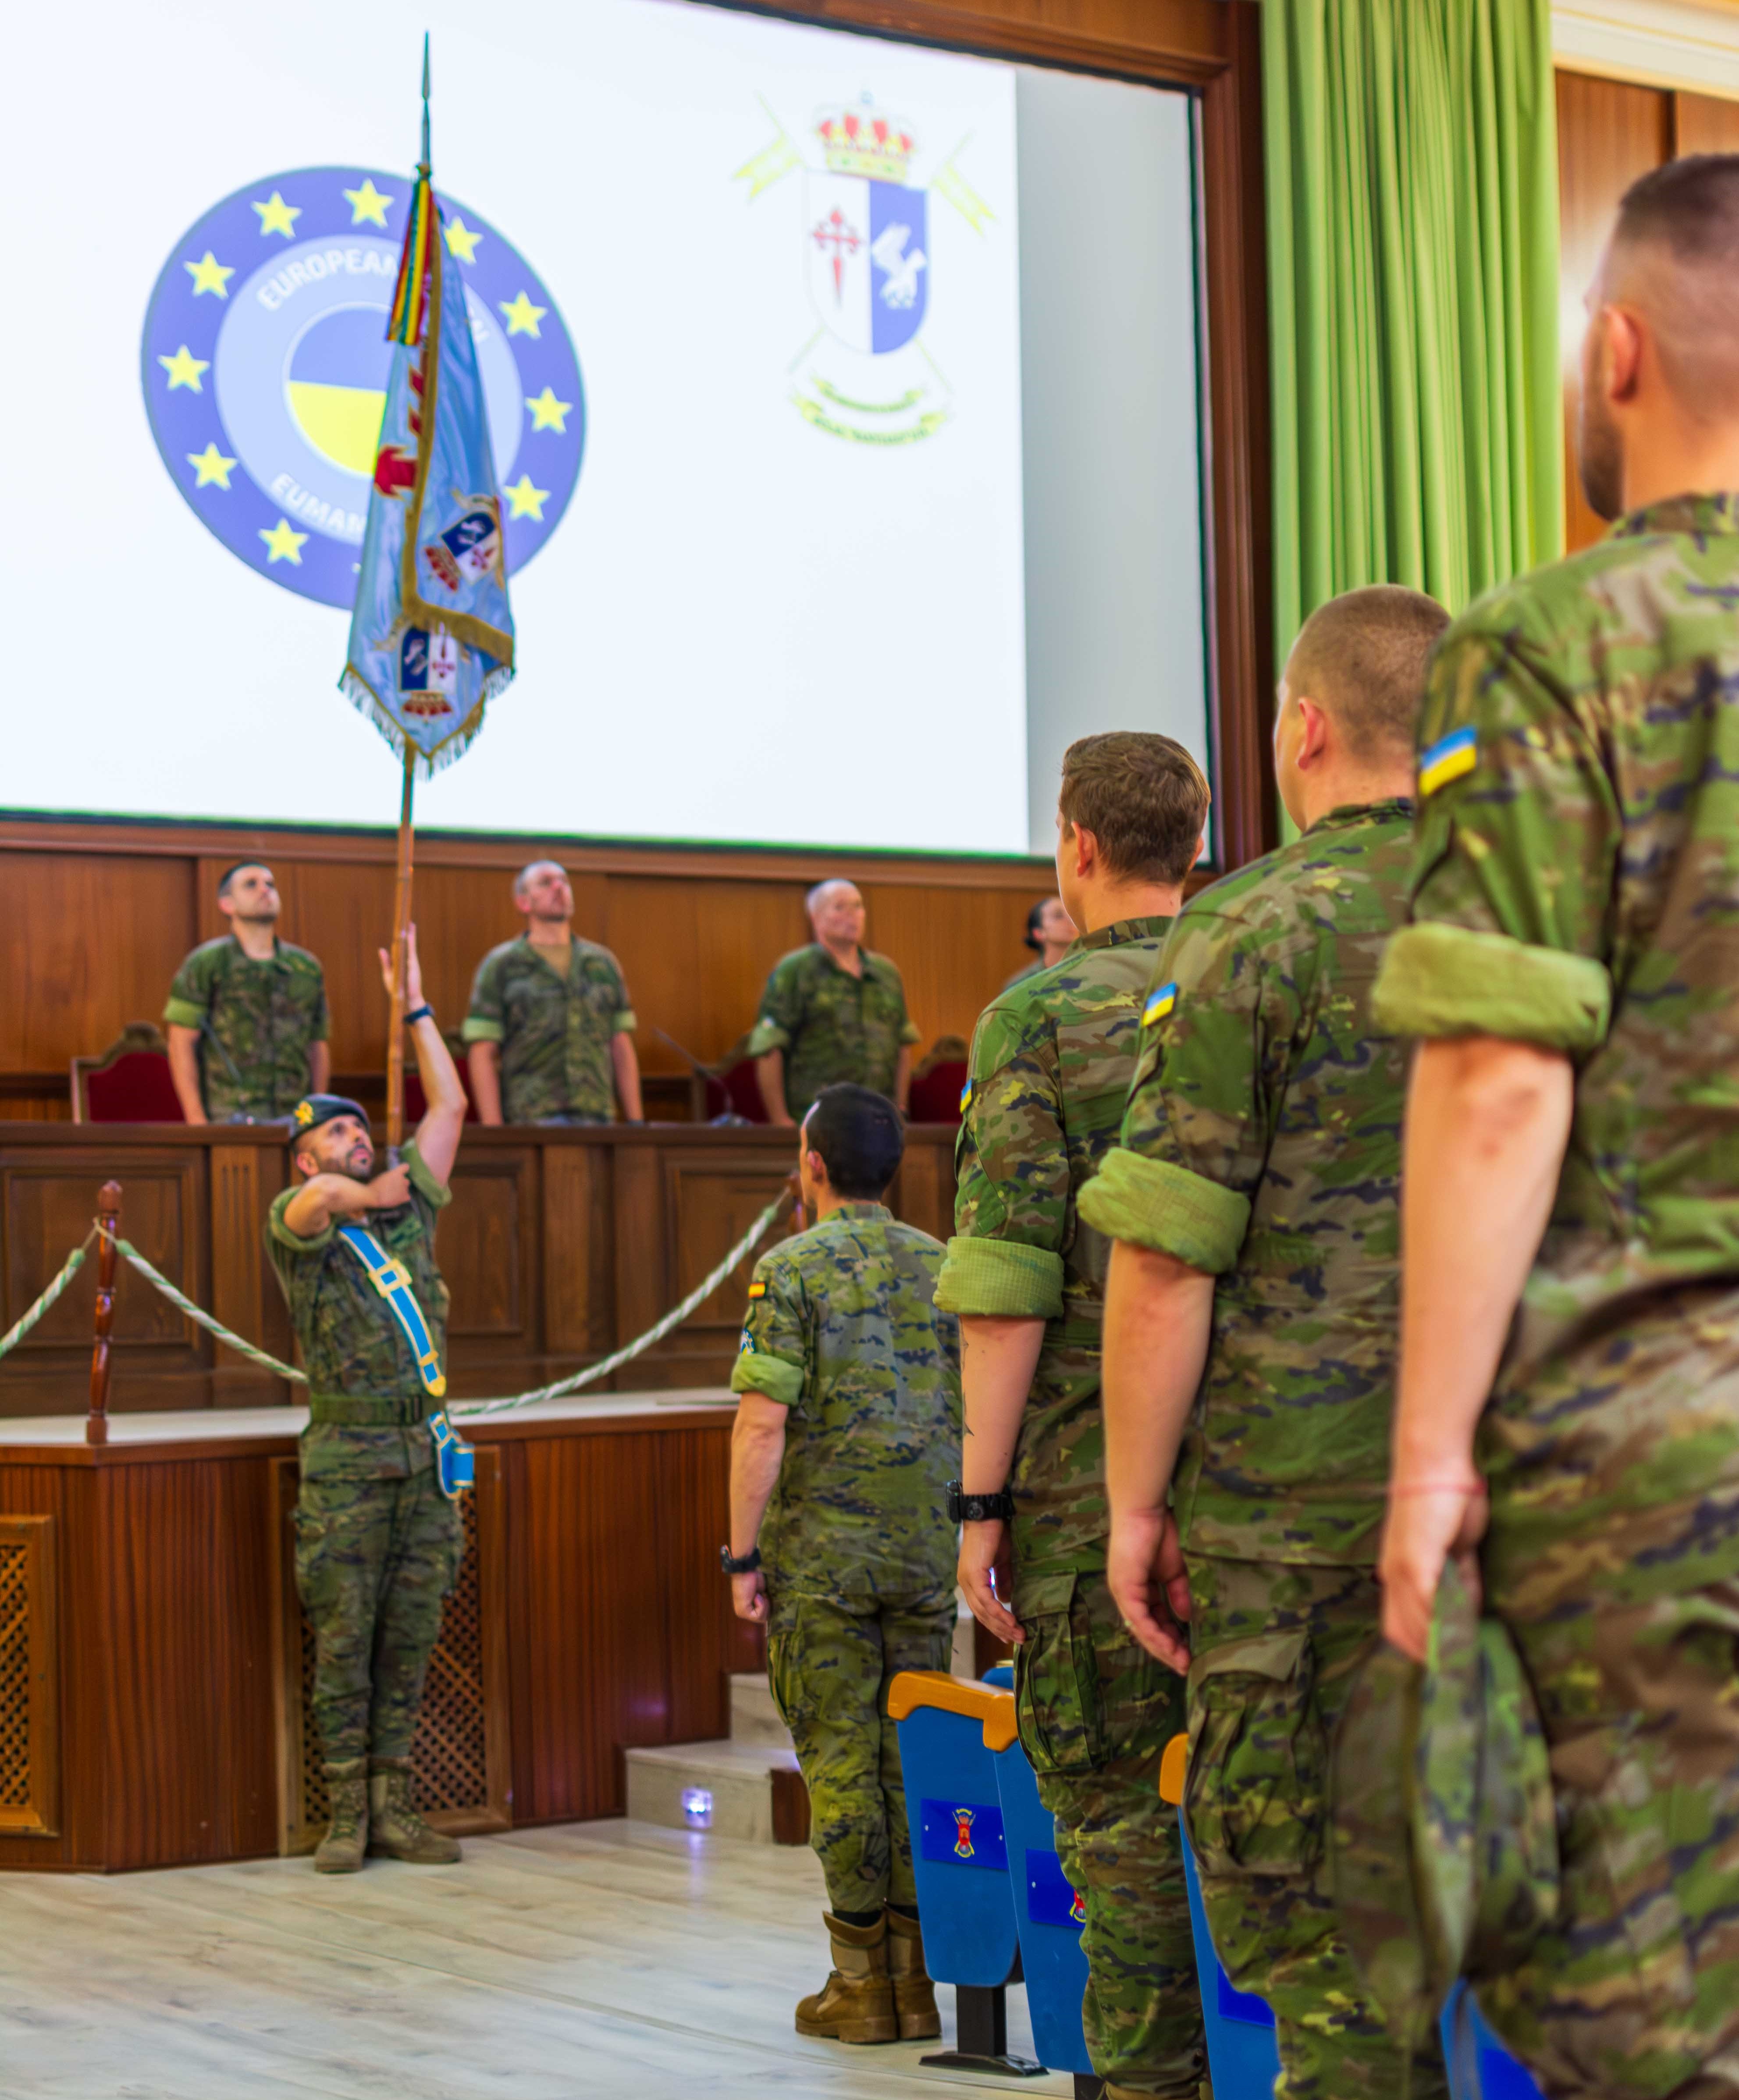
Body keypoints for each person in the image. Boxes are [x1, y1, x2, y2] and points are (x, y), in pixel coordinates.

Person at [1372, 154, 1739, 2099]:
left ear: (1617, 352)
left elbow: (1502, 1072)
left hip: (1659, 1463)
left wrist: (1428, 1460)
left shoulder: (1551, 645)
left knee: (1657, 2031)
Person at [1081, 588, 1451, 2100]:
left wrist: (1127, 1507)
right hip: (1555, 1509)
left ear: (1302, 725)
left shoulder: (1250, 929)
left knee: (1331, 1955)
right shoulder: (1563, 910)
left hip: (1306, 1528)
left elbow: (1163, 1266)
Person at [937, 731, 1211, 2100]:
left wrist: (976, 1504)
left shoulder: (1037, 1017)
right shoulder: (1256, 975)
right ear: (1194, 847)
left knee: (1114, 1828)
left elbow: (1002, 1292)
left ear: (1077, 849)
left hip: (1077, 1485)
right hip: (1273, 1484)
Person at [726, 1083, 959, 2047]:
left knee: (840, 1764)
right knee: (914, 1757)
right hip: (926, 1548)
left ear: (810, 1165)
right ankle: (920, 1979)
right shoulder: (944, 1262)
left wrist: (741, 1552)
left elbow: (762, 1423)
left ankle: (860, 1984)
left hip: (822, 1558)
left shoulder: (789, 1269)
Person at [268, 923, 468, 1876]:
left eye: (357, 1125)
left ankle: (395, 1803)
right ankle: (343, 1811)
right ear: (307, 1160)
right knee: (345, 1637)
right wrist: (358, 1186)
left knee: (412, 1634)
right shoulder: (302, 1222)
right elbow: (308, 1209)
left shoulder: (409, 1206)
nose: (356, 1137)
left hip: (424, 1462)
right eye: (334, 1135)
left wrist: (417, 1005)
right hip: (348, 1467)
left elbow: (454, 1101)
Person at [463, 861, 643, 1125]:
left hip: (597, 1115)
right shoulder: (502, 965)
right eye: (546, 883)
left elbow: (620, 1044)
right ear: (524, 903)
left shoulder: (602, 963)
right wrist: (494, 1130)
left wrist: (636, 1122)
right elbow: (483, 1051)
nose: (559, 888)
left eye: (564, 881)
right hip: (530, 1117)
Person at [163, 862, 330, 1122]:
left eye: (270, 884)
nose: (265, 890)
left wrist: (317, 1115)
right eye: (251, 884)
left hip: (296, 1116)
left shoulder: (305, 968)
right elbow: (181, 1043)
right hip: (229, 1116)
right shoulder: (207, 964)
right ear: (227, 904)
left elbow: (317, 1045)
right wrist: (197, 1121)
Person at [747, 882, 918, 1125]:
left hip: (880, 1122)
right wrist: (780, 1120)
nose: (853, 915)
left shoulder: (886, 973)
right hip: (819, 1124)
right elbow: (769, 1048)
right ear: (815, 917)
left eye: (858, 906)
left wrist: (900, 1110)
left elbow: (903, 1044)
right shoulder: (794, 971)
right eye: (840, 907)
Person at [1001, 895, 1078, 990]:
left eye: (1071, 914)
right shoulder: (1021, 985)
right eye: (1058, 916)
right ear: (1038, 933)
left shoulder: (1093, 971)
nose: (1070, 920)